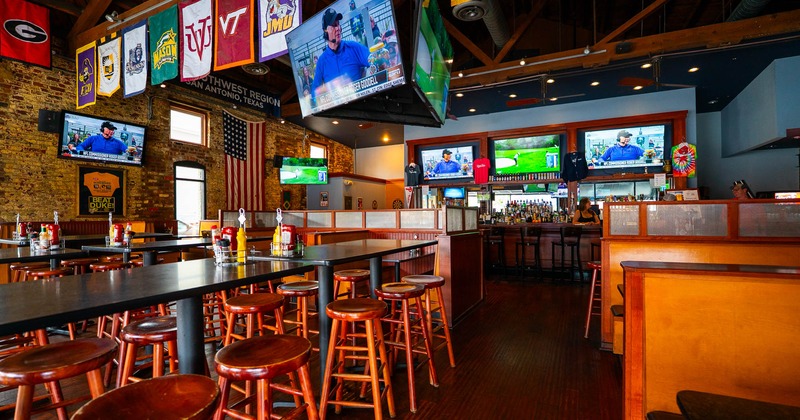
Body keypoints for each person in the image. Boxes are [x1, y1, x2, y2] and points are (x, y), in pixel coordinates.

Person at [311, 8, 371, 102]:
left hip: (362, 106)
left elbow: (374, 60)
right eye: (334, 25)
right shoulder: (322, 61)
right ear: (326, 30)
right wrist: (328, 89)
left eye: (338, 24)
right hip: (338, 113)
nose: (338, 28)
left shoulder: (354, 47)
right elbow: (314, 94)